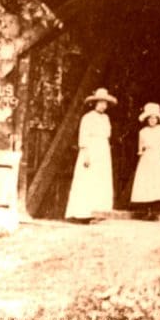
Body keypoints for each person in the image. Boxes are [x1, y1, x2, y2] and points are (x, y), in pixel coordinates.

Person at [65, 88, 117, 223]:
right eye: (100, 102)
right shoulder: (87, 117)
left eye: (105, 103)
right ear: (95, 103)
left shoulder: (106, 118)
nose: (103, 105)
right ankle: (84, 212)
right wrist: (86, 154)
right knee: (88, 178)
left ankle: (100, 212)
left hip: (103, 150)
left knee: (101, 179)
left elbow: (107, 135)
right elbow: (83, 137)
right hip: (91, 149)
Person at [131, 102, 160, 221]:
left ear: (158, 119)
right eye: (150, 118)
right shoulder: (143, 132)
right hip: (147, 159)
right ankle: (149, 212)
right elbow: (140, 149)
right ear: (147, 119)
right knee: (148, 183)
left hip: (159, 158)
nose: (152, 120)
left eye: (155, 118)